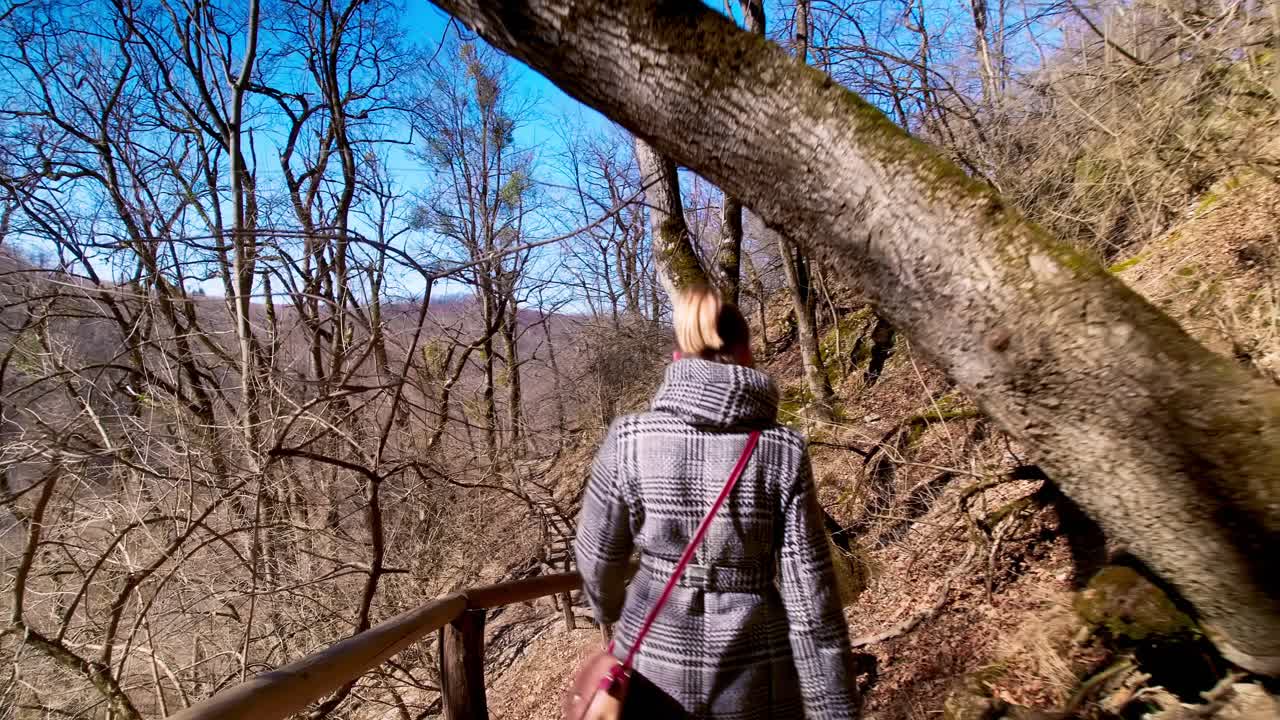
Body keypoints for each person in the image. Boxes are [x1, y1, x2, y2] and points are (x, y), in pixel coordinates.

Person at [575, 284, 860, 719]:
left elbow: (597, 558)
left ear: (678, 358)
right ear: (747, 354)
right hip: (756, 665)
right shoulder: (782, 450)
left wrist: (607, 606)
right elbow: (810, 594)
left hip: (652, 651)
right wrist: (834, 709)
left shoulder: (630, 438)